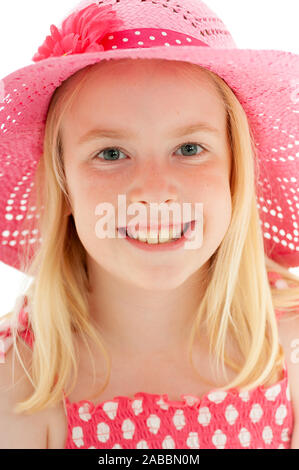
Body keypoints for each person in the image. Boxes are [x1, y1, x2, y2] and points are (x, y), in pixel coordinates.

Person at [0, 0, 299, 450]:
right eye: (111, 154)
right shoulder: (24, 381)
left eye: (189, 149)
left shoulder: (289, 350)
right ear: (62, 188)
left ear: (236, 173)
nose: (155, 192)